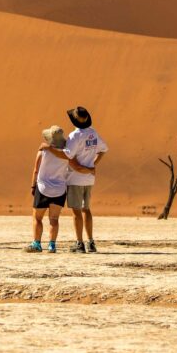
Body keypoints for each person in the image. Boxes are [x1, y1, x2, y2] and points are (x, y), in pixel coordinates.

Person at [40, 106, 108, 253]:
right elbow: (104, 149)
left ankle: (79, 243)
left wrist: (49, 148)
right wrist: (93, 164)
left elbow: (67, 156)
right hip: (89, 178)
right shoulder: (93, 133)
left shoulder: (75, 136)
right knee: (87, 209)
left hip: (75, 178)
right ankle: (91, 242)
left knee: (76, 212)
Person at [27, 125, 95, 253]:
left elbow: (36, 171)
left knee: (37, 218)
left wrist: (33, 186)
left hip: (43, 188)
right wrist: (90, 170)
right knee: (54, 219)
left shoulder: (43, 152)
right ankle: (52, 245)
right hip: (59, 190)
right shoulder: (66, 155)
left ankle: (36, 243)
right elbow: (76, 166)